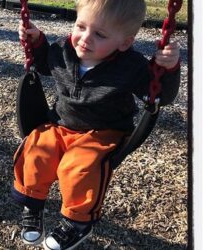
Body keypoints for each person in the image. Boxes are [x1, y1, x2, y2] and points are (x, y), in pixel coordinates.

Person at [11, 0, 181, 249]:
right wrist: (35, 41)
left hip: (102, 132)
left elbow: (158, 96)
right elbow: (44, 63)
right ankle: (33, 205)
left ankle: (77, 223)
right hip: (60, 124)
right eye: (81, 26)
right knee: (35, 148)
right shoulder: (63, 49)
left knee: (79, 166)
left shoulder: (131, 66)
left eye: (99, 34)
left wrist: (168, 69)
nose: (84, 39)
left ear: (124, 43)